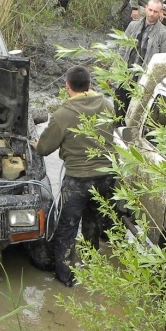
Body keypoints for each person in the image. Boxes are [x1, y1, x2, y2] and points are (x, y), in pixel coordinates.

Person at [34, 65, 116, 287]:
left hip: (78, 180)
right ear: (90, 85)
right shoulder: (107, 105)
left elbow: (43, 149)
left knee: (67, 229)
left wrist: (36, 143)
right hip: (107, 177)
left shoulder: (63, 114)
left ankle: (66, 278)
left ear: (67, 86)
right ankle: (94, 270)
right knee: (94, 224)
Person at [116, 0, 166, 119]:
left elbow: (165, 61)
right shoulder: (133, 26)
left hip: (142, 83)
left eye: (155, 12)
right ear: (145, 8)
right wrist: (115, 71)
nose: (152, 14)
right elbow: (122, 48)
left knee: (133, 117)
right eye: (150, 10)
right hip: (125, 77)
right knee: (117, 113)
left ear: (160, 12)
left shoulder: (164, 33)